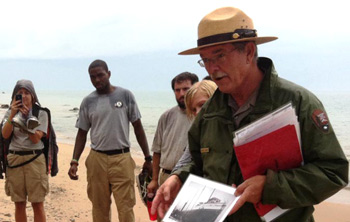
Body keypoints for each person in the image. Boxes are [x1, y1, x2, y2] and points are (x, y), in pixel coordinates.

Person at [152, 7, 349, 222]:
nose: (212, 68)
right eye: (205, 60)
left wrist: (270, 186)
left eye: (219, 56)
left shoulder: (297, 102)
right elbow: (197, 162)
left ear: (248, 52)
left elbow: (334, 173)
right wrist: (177, 179)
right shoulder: (208, 113)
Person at [67, 59, 152, 222]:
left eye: (100, 75)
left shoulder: (125, 95)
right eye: (92, 77)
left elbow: (138, 127)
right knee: (99, 208)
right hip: (96, 160)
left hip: (122, 159)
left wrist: (148, 158)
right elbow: (82, 133)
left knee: (126, 208)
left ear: (109, 74)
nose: (97, 80)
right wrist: (74, 161)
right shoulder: (87, 101)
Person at [1, 79, 49, 222]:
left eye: (27, 93)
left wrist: (27, 117)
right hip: (15, 159)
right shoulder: (11, 112)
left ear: (33, 95)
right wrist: (13, 115)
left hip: (35, 160)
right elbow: (5, 134)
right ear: (14, 96)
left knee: (37, 203)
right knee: (19, 203)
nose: (24, 96)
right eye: (19, 93)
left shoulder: (41, 113)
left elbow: (35, 139)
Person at [147, 72, 198, 200]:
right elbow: (157, 151)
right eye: (177, 90)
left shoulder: (201, 117)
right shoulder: (166, 116)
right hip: (165, 176)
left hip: (190, 179)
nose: (181, 94)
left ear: (195, 88)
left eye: (186, 89)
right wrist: (154, 179)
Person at [172, 80, 217, 173]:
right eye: (193, 109)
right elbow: (185, 162)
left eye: (202, 105)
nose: (197, 112)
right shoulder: (198, 133)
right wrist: (175, 177)